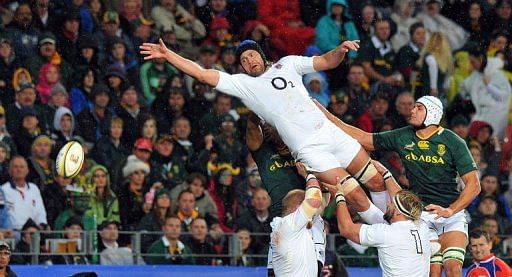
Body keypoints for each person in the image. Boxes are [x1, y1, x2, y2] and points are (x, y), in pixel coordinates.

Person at [140, 38, 388, 225]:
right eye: (244, 61)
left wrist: (340, 50)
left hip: (331, 134)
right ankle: (391, 233)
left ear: (260, 54)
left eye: (251, 55)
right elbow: (202, 74)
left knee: (376, 180)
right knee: (355, 195)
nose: (249, 62)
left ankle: (395, 224)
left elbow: (325, 61)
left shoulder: (288, 64)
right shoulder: (245, 85)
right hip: (310, 150)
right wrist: (168, 54)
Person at [317, 95, 480, 277]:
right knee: (432, 272)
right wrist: (326, 115)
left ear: (432, 112)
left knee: (453, 269)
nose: (412, 110)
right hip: (419, 218)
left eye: (418, 108)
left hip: (450, 216)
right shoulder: (403, 135)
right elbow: (363, 138)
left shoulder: (453, 141)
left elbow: (474, 185)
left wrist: (450, 210)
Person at [331, 160, 431, 277]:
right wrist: (386, 174)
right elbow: (400, 199)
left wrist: (339, 197)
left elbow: (346, 229)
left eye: (391, 204)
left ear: (398, 212)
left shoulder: (386, 233)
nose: (388, 204)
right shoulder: (422, 225)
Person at [269, 161, 324, 277]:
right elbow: (314, 201)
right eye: (304, 202)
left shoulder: (291, 227)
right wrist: (308, 175)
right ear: (298, 207)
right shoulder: (288, 225)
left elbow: (319, 205)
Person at [1, 156, 47, 231]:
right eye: (15, 167)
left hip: (34, 231)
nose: (19, 170)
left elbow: (40, 212)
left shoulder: (34, 188)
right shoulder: (3, 190)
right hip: (14, 232)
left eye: (22, 167)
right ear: (10, 171)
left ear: (27, 171)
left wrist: (42, 225)